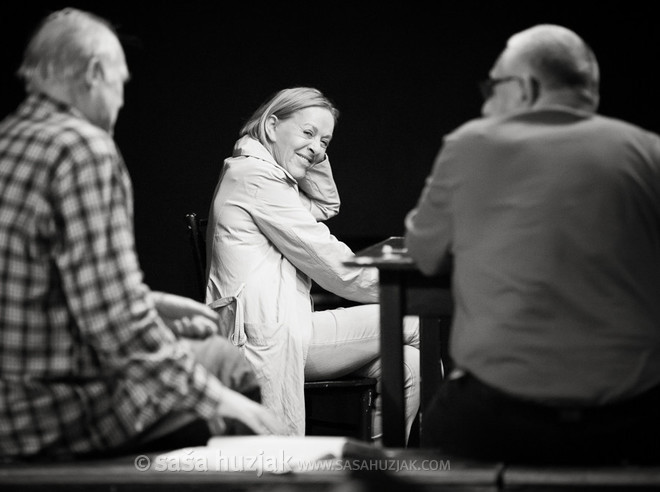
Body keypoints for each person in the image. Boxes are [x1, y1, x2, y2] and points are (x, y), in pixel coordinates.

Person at [0, 8, 281, 463]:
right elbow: (117, 327)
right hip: (38, 423)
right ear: (93, 73)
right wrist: (221, 401)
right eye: (120, 84)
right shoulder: (82, 148)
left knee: (191, 357)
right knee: (228, 365)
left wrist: (152, 305)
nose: (120, 102)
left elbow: (23, 293)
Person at [404, 24, 660, 464]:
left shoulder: (471, 144)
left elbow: (424, 254)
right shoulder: (649, 151)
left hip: (501, 415)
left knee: (429, 425)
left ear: (523, 88)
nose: (486, 101)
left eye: (492, 86)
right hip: (634, 416)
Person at [205, 87, 420, 440]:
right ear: (272, 126)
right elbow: (331, 263)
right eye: (308, 132)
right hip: (264, 336)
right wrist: (405, 289)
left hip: (286, 326)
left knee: (408, 366)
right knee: (414, 321)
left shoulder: (263, 177)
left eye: (326, 142)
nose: (319, 148)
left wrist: (311, 150)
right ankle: (402, 460)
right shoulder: (256, 179)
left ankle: (376, 468)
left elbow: (323, 206)